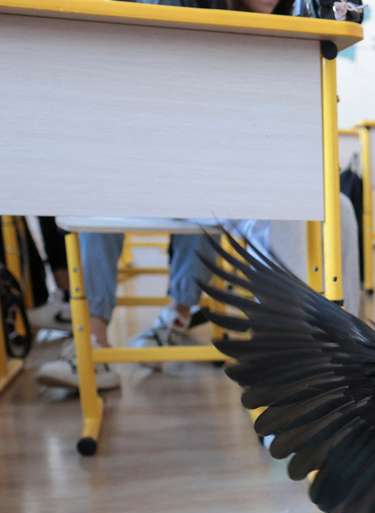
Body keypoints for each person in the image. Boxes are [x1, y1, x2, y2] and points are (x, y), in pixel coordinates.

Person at [35, 0, 310, 391]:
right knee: (98, 197)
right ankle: (94, 342)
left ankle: (176, 317)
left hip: (208, 164)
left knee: (217, 205)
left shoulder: (282, 21)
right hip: (140, 151)